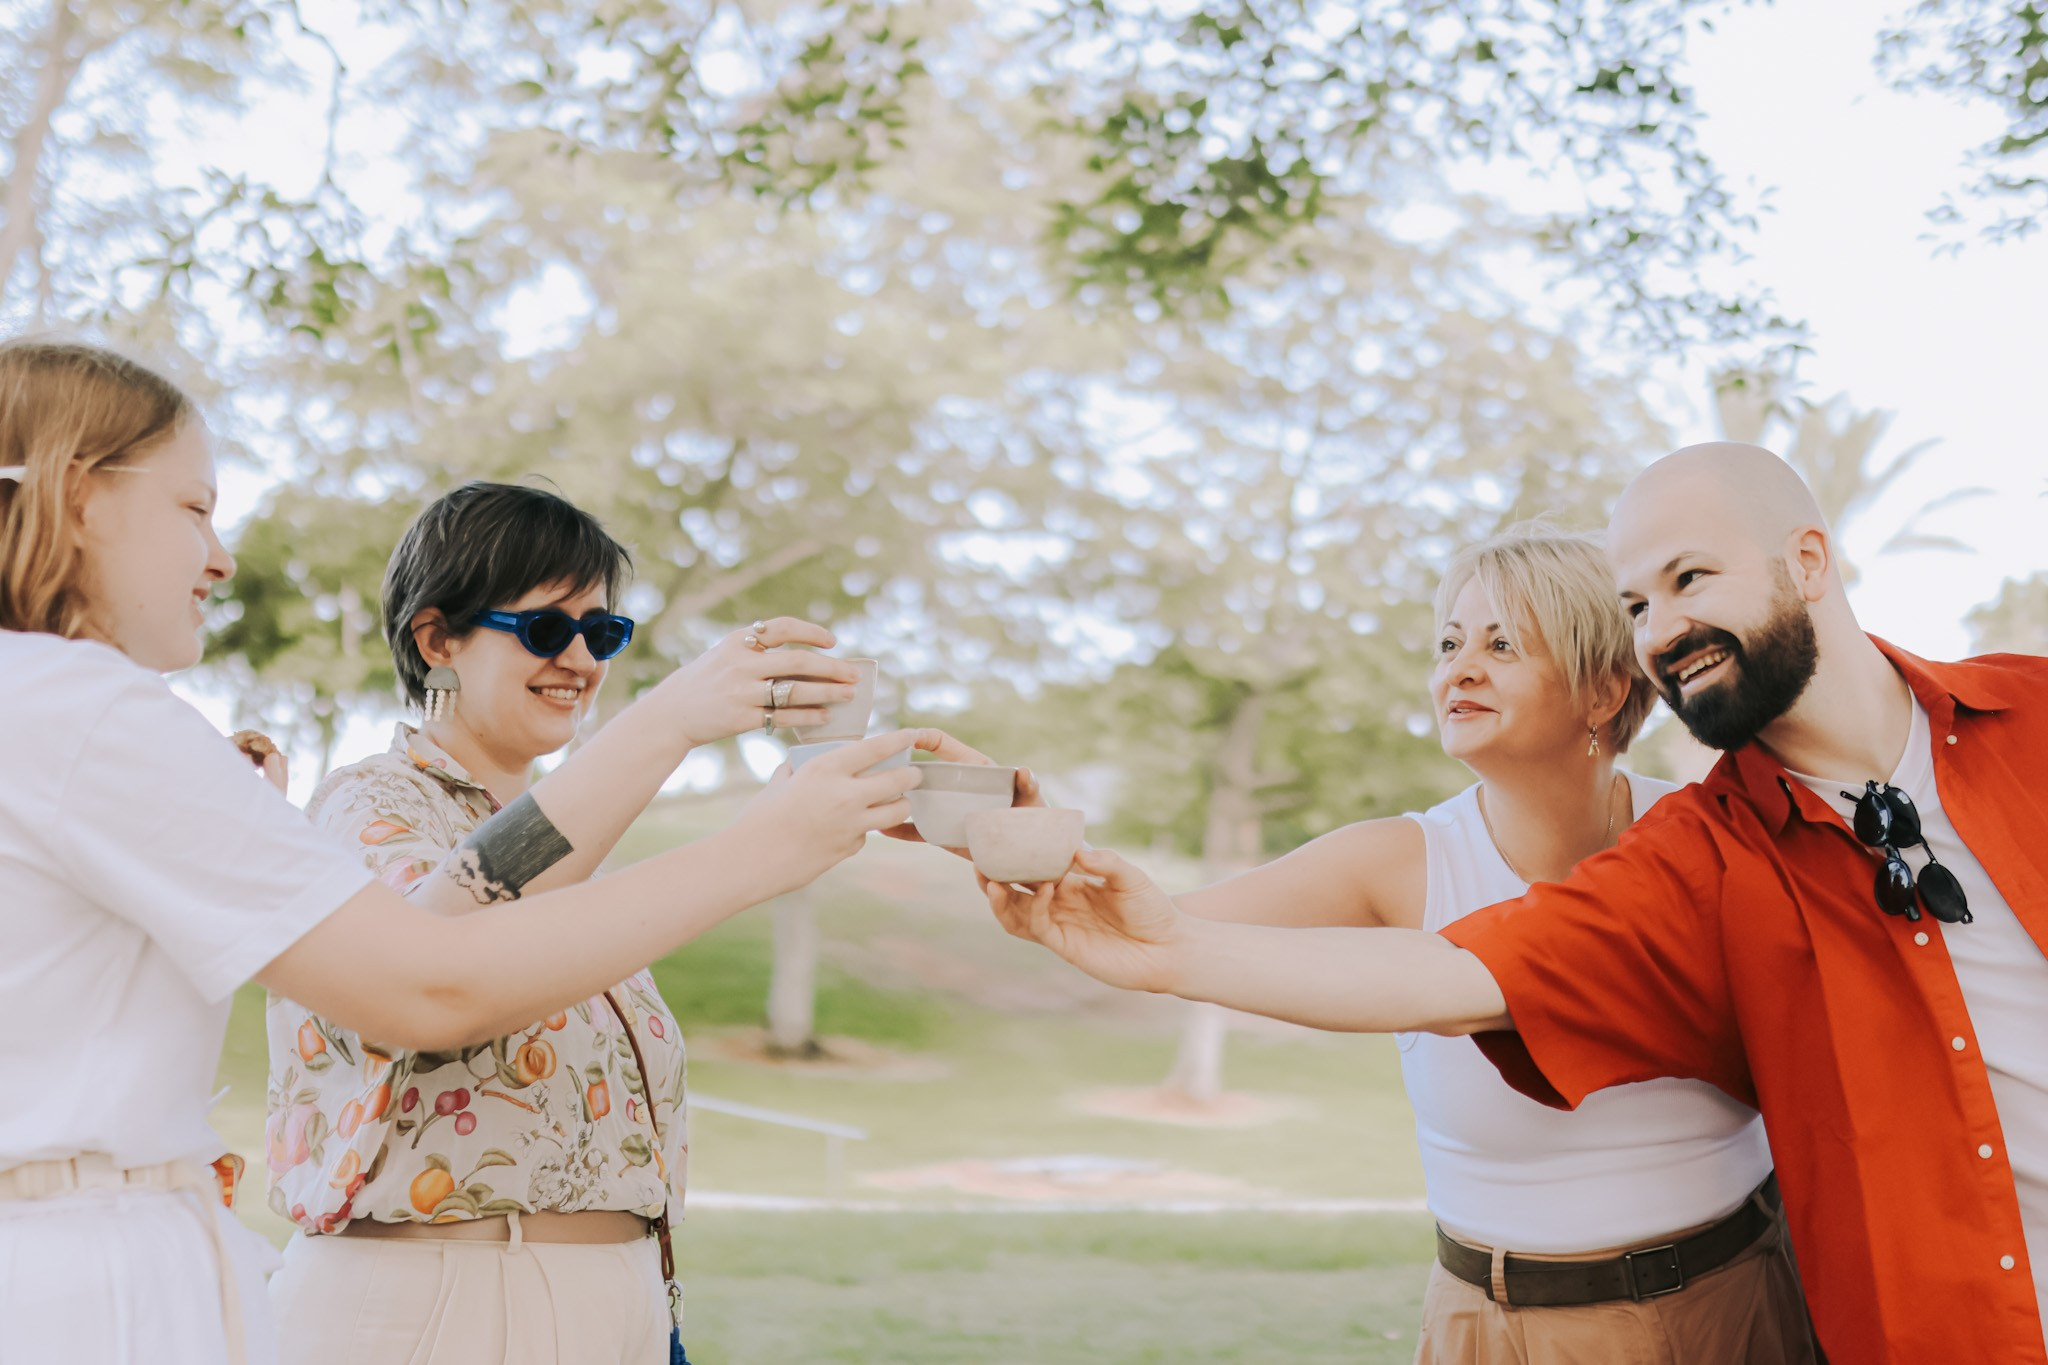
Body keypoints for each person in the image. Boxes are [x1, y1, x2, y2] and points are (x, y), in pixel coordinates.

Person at [983, 444, 2048, 1363]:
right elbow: (1459, 975)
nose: (1663, 626)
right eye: (1638, 606)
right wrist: (1137, 924)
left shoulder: (2021, 720)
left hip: (1730, 1292)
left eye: (1689, 578)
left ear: (1806, 561)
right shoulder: (1703, 856)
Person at [0, 337, 920, 1365]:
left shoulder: (62, 718)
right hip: (344, 1294)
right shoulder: (131, 725)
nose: (220, 556)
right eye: (194, 508)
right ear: (80, 495)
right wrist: (741, 821)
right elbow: (429, 974)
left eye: (604, 634)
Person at [1160, 523, 1809, 1361]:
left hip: (1730, 1312)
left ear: (1605, 691)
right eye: (1449, 643)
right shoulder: (1396, 862)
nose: (1458, 669)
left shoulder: (1708, 837)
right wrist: (994, 834)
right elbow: (1153, 921)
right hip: (1485, 1329)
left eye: (1502, 644)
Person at [262, 483, 869, 1363]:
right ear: (438, 640)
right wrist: (676, 730)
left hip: (615, 1306)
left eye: (604, 632)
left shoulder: (587, 851)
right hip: (451, 1305)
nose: (581, 659)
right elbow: (430, 958)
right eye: (548, 628)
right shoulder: (370, 800)